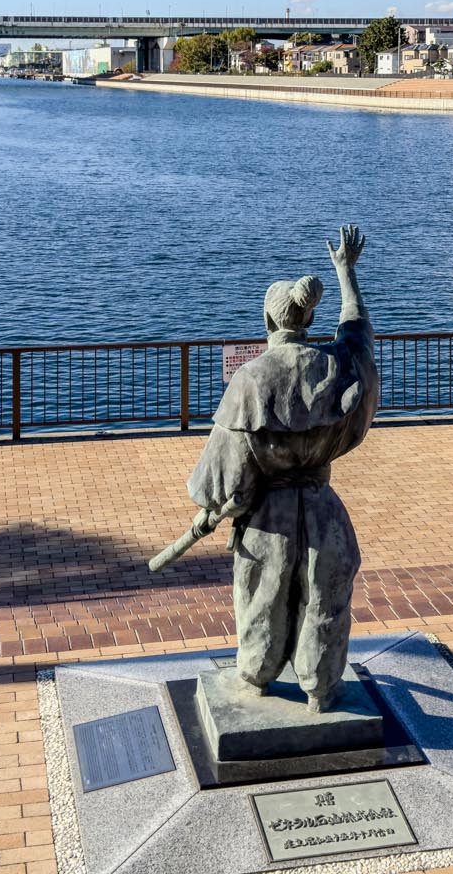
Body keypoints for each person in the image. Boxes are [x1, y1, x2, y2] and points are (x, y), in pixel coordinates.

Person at [184, 225, 379, 712]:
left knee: (261, 601)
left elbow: (223, 478)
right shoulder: (339, 367)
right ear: (308, 320)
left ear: (268, 320)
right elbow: (358, 333)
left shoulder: (251, 380)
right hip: (323, 511)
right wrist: (346, 274)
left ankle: (256, 679)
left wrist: (212, 508)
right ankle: (322, 689)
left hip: (267, 519)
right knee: (325, 601)